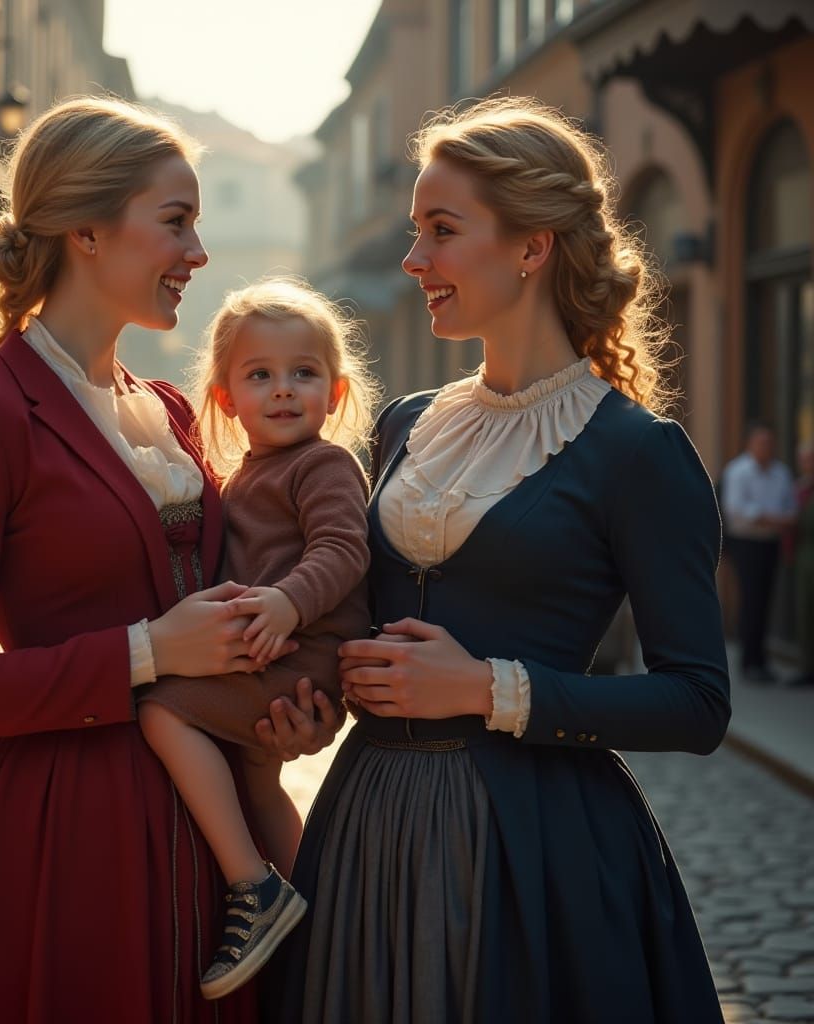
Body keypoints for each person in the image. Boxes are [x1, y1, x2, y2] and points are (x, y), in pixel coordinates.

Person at [266, 96, 731, 1023]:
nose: (414, 262)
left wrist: (488, 688)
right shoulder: (404, 425)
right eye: (414, 232)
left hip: (540, 850)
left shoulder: (637, 452)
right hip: (368, 826)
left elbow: (697, 701)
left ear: (532, 246)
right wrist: (309, 699)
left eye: (442, 231)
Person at [0, 97, 336, 1024]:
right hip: (61, 840)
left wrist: (281, 711)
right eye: (176, 221)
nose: (199, 253)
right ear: (86, 229)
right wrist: (147, 653)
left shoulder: (169, 410)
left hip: (211, 842)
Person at [137, 278, 376, 999]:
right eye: (260, 375)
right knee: (252, 780)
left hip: (303, 652)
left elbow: (343, 550)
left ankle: (252, 885)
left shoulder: (322, 464)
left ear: (333, 393)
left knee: (161, 710)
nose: (282, 391)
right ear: (224, 397)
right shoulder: (240, 476)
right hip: (269, 652)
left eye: (303, 374)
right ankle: (315, 909)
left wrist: (285, 602)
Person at [721, 422, 797, 683]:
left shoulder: (781, 473)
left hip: (770, 544)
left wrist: (768, 519)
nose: (766, 448)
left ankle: (761, 659)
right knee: (751, 599)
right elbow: (736, 511)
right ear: (750, 444)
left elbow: (791, 510)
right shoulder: (738, 471)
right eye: (761, 442)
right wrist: (769, 518)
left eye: (769, 443)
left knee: (766, 601)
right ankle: (748, 661)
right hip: (746, 544)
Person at [788, 441, 814, 686]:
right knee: (804, 612)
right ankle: (807, 667)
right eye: (805, 460)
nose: (808, 464)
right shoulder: (798, 488)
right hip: (804, 556)